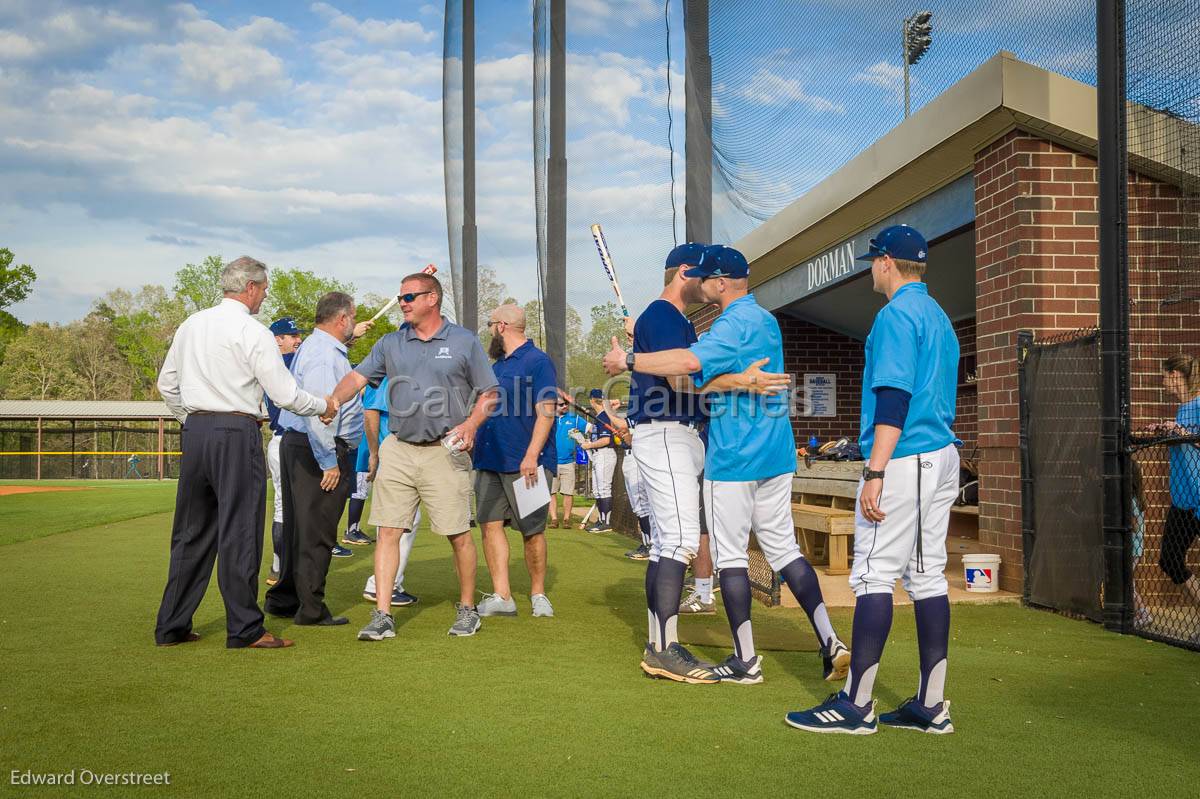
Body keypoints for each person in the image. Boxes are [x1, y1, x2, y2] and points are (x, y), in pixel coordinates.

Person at [604, 244, 849, 686]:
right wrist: (739, 378)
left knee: (723, 555)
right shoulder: (765, 319)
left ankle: (745, 662)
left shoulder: (724, 323)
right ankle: (830, 642)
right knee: (780, 549)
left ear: (718, 282)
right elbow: (693, 372)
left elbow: (686, 369)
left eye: (706, 276)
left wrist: (631, 359)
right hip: (774, 449)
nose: (700, 282)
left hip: (735, 453)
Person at [782, 225, 961, 734]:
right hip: (940, 455)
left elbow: (895, 397)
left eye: (873, 260)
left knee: (874, 576)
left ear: (886, 262)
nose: (870, 268)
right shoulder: (940, 316)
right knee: (926, 578)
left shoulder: (895, 314)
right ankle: (931, 704)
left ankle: (856, 706)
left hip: (904, 458)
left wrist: (875, 469)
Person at [154, 256, 336, 650]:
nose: (266, 294)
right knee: (241, 532)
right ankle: (245, 629)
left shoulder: (191, 324)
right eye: (265, 288)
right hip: (236, 432)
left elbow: (167, 385)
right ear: (250, 287)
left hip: (197, 432)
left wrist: (191, 418)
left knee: (190, 533)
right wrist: (324, 405)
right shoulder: (252, 331)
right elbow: (284, 394)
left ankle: (171, 626)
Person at [330, 272, 499, 640]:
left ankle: (468, 608)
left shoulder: (463, 341)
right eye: (401, 297)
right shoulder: (391, 343)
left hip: (445, 451)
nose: (403, 303)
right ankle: (382, 615)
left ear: (432, 299)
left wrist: (471, 425)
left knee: (457, 535)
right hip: (398, 450)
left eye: (409, 297)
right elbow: (357, 380)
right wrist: (332, 400)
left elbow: (489, 393)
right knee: (388, 531)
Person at [264, 292, 367, 627]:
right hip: (317, 448)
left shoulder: (315, 345)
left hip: (301, 446)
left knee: (298, 526)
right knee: (317, 531)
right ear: (341, 319)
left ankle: (285, 598)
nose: (352, 323)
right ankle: (310, 608)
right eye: (351, 317)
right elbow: (320, 413)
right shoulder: (325, 355)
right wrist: (329, 462)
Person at [473, 304, 559, 618]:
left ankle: (538, 595)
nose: (489, 330)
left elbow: (546, 410)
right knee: (489, 525)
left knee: (532, 531)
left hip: (527, 463)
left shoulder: (538, 362)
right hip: (490, 460)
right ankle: (502, 596)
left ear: (503, 326)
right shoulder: (495, 367)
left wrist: (532, 455)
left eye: (490, 324)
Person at [358, 376, 420, 608]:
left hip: (400, 457)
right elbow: (371, 413)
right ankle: (381, 585)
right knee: (396, 524)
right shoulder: (386, 374)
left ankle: (391, 582)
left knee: (404, 521)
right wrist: (375, 453)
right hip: (391, 457)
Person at [1150, 354, 1200, 611]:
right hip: (1183, 499)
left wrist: (1182, 432)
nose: (1162, 382)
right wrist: (1167, 430)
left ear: (1175, 375)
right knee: (1169, 559)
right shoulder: (1182, 409)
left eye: (1163, 376)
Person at [264, 317, 304, 585]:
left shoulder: (277, 362)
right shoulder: (281, 362)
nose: (297, 339)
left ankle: (282, 566)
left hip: (286, 442)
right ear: (278, 340)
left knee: (288, 507)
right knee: (287, 508)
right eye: (292, 336)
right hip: (285, 440)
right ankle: (282, 566)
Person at [579, 389, 618, 532]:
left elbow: (606, 440)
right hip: (599, 454)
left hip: (605, 454)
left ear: (591, 400)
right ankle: (601, 520)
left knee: (603, 489)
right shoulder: (601, 416)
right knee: (597, 490)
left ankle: (606, 523)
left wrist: (589, 445)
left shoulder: (604, 416)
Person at [550, 394, 588, 528]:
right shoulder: (547, 419)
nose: (565, 406)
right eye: (561, 404)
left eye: (566, 403)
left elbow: (591, 428)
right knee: (551, 492)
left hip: (569, 462)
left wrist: (583, 438)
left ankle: (566, 519)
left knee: (568, 492)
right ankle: (554, 519)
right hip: (551, 462)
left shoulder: (575, 419)